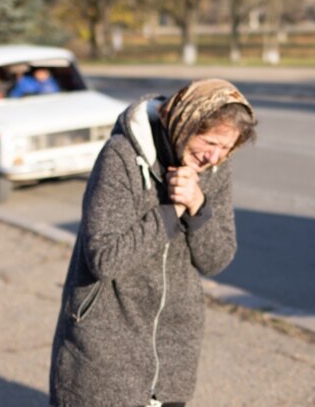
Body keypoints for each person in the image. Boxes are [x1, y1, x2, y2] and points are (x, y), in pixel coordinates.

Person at [50, 79, 257, 407]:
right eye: (209, 141)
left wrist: (198, 206)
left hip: (174, 345)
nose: (213, 157)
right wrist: (173, 210)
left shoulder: (215, 168)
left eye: (226, 148)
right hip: (107, 339)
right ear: (184, 123)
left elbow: (216, 260)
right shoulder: (122, 156)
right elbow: (104, 258)